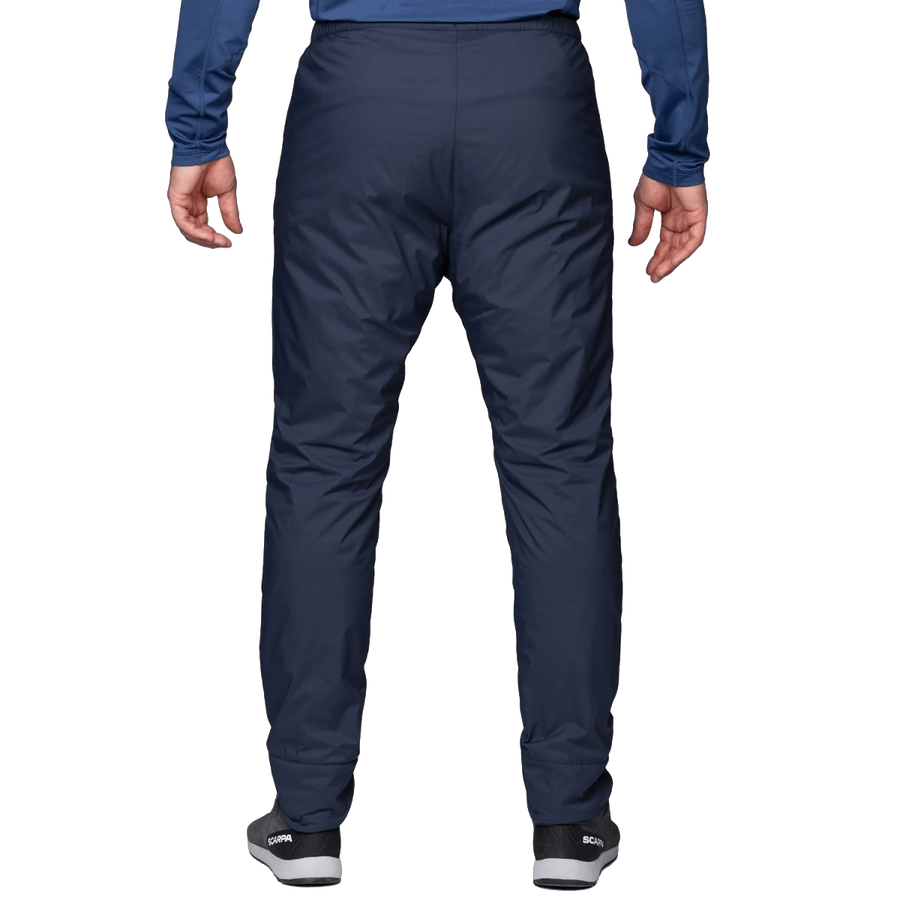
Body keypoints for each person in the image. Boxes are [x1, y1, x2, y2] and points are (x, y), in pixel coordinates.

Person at [164, 0, 710, 889]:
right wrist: (678, 146)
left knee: (324, 457)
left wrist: (198, 125)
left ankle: (308, 819)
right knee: (561, 460)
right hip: (535, 105)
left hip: (358, 107)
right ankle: (569, 820)